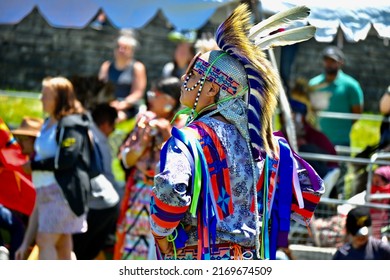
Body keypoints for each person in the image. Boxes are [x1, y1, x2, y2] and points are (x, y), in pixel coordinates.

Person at [150, 4, 324, 260]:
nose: (184, 80)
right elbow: (309, 191)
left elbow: (170, 192)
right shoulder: (269, 147)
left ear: (212, 90)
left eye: (192, 74)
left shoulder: (188, 139)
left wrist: (161, 236)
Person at [15, 76, 92, 260]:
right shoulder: (48, 123)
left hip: (62, 193)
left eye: (46, 95)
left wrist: (34, 165)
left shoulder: (71, 124)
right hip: (45, 191)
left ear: (60, 98)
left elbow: (66, 159)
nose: (41, 99)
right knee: (62, 244)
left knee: (45, 240)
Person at [114, 76, 183, 260]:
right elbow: (126, 160)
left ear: (170, 101)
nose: (151, 97)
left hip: (165, 197)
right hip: (139, 194)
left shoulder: (182, 126)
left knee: (160, 247)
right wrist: (142, 143)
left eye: (156, 94)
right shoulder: (144, 121)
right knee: (133, 246)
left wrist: (167, 134)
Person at [72, 103, 120, 260]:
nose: (112, 132)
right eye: (113, 127)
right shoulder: (99, 140)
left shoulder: (83, 132)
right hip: (99, 205)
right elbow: (106, 175)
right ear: (106, 125)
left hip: (90, 202)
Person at [309, 46, 364, 148]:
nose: (329, 64)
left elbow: (356, 114)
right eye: (326, 60)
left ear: (341, 62)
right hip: (317, 140)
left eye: (332, 61)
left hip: (341, 141)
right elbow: (309, 111)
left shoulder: (351, 86)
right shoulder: (313, 84)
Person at [99, 29, 147, 122]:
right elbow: (101, 89)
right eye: (118, 47)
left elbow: (138, 93)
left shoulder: (137, 67)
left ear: (131, 50)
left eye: (125, 48)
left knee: (117, 118)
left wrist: (121, 105)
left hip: (128, 108)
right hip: (108, 105)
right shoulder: (106, 66)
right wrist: (109, 103)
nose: (120, 50)